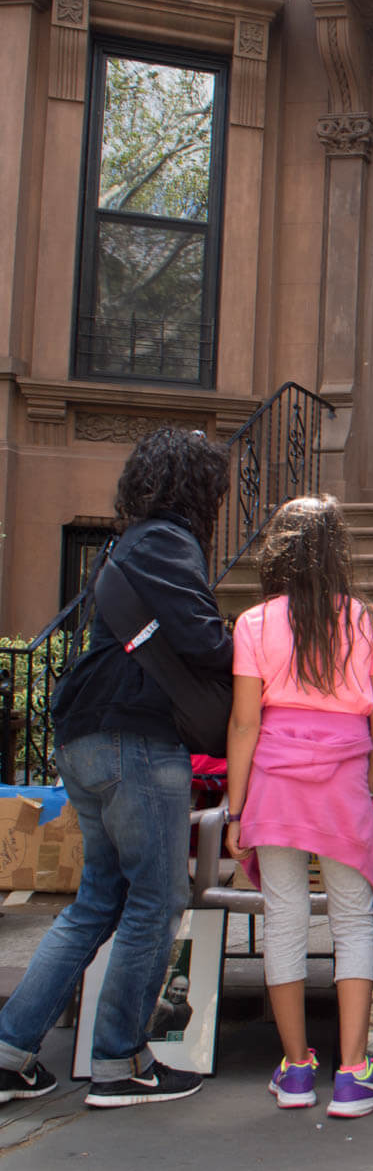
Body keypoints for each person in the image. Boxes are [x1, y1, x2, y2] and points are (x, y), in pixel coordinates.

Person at [0, 428, 231, 1109]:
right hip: (134, 739)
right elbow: (201, 638)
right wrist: (245, 637)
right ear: (196, 489)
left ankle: (12, 1051)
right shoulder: (166, 541)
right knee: (158, 901)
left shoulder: (130, 543)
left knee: (98, 901)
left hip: (88, 739)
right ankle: (118, 1061)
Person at [223, 495, 373, 1116]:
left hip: (272, 786)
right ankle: (354, 1075)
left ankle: (296, 1070)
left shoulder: (252, 624)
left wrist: (235, 810)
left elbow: (245, 725)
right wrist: (369, 779)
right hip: (342, 786)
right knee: (354, 921)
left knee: (284, 921)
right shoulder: (367, 621)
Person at [147, 974, 193, 1040]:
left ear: (187, 992)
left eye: (183, 990)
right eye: (175, 989)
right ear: (169, 989)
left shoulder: (186, 1009)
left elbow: (165, 1006)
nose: (178, 993)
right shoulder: (163, 1003)